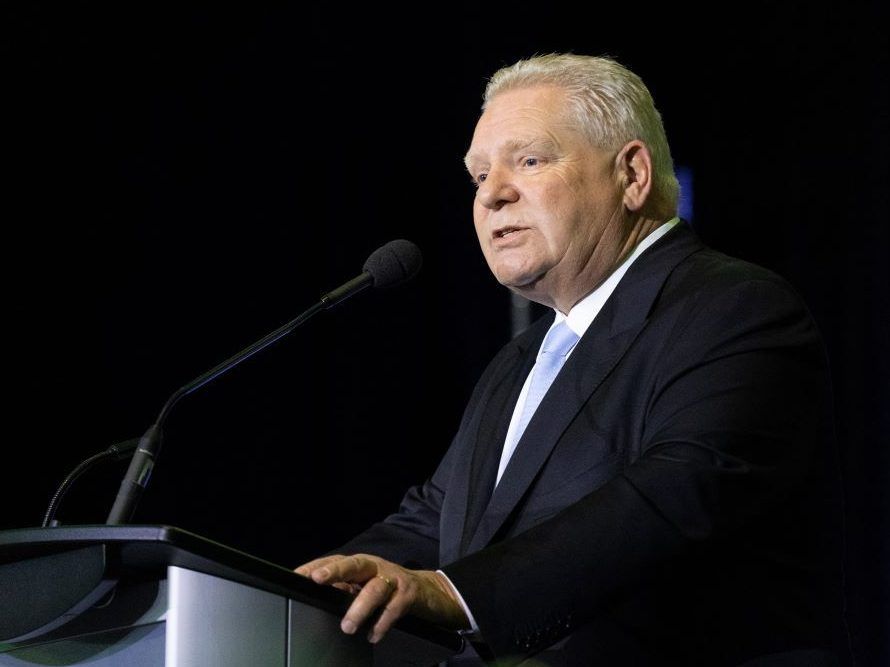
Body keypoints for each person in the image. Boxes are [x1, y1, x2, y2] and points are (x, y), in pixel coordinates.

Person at [296, 53, 847, 666]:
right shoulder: (520, 361)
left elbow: (674, 495)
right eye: (479, 177)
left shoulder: (733, 308)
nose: (493, 195)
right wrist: (300, 593)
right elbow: (434, 521)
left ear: (632, 175)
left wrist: (457, 593)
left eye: (530, 161)